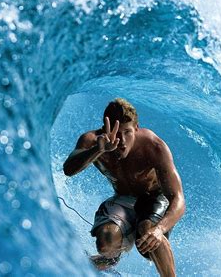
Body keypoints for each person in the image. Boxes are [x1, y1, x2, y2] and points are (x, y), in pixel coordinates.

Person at [63, 98, 185, 276]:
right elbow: (69, 169)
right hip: (123, 199)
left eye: (127, 132)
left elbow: (179, 200)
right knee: (106, 241)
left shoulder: (154, 146)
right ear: (105, 130)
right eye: (116, 133)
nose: (121, 140)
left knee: (147, 230)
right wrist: (98, 150)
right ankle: (106, 260)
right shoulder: (92, 141)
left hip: (154, 198)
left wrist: (160, 230)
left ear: (136, 128)